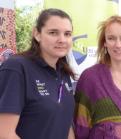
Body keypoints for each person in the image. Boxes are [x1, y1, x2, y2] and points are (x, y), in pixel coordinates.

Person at [73, 15, 121, 139]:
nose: (118, 44)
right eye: (111, 38)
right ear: (104, 43)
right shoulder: (89, 78)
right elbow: (81, 125)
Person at [0, 8, 75, 139]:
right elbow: (4, 133)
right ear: (37, 34)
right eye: (53, 33)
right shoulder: (16, 68)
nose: (62, 39)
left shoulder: (63, 73)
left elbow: (65, 124)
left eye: (67, 34)